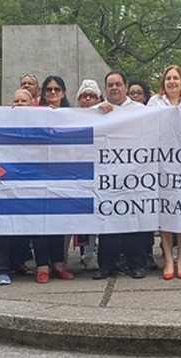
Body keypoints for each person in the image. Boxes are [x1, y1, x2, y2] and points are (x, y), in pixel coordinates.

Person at [94, 71, 149, 280]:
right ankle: (106, 266)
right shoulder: (97, 110)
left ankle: (137, 264)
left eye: (118, 84)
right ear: (105, 88)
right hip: (106, 176)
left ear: (125, 87)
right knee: (107, 223)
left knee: (134, 221)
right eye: (110, 85)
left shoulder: (140, 111)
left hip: (134, 175)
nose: (114, 88)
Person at [147, 65, 181, 279]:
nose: (172, 81)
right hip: (161, 165)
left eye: (176, 78)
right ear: (163, 82)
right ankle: (167, 258)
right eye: (168, 78)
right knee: (165, 212)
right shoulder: (154, 102)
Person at [32, 75, 74, 283]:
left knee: (59, 218)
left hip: (64, 174)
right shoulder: (32, 115)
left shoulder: (74, 115)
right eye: (49, 90)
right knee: (40, 219)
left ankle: (58, 262)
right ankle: (41, 264)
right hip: (38, 174)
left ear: (64, 93)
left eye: (57, 89)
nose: (53, 93)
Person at [75, 79, 102, 271]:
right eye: (84, 96)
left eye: (92, 96)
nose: (88, 99)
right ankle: (85, 252)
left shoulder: (109, 116)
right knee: (82, 214)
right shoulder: (70, 117)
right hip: (78, 170)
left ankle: (94, 250)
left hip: (100, 170)